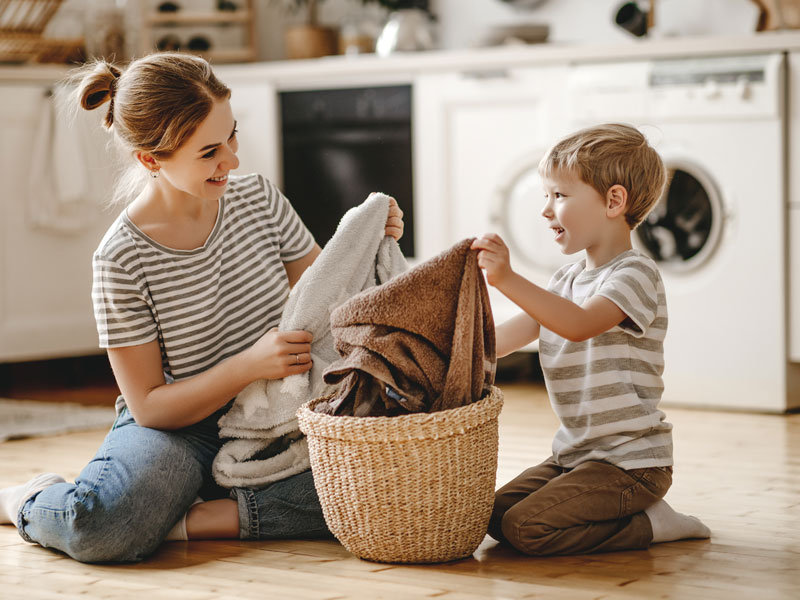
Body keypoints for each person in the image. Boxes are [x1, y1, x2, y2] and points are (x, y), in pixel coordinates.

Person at [0, 52, 404, 563]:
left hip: (278, 412)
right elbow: (149, 405)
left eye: (231, 136)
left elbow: (333, 301)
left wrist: (372, 242)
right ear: (151, 160)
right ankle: (29, 501)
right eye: (210, 151)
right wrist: (247, 366)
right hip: (180, 429)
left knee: (383, 487)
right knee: (99, 528)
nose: (232, 161)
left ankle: (202, 518)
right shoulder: (120, 259)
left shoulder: (259, 199)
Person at [471, 123, 710, 556]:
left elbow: (579, 324)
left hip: (632, 464)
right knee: (492, 517)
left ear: (614, 202)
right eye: (547, 196)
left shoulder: (635, 274)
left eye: (559, 196)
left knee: (527, 529)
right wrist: (455, 346)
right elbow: (507, 337)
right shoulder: (565, 278)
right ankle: (623, 513)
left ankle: (652, 524)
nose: (546, 210)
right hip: (577, 456)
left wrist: (505, 278)